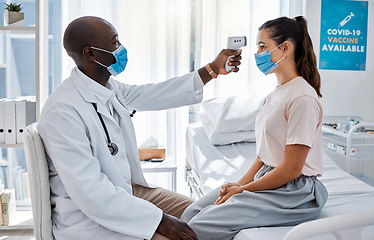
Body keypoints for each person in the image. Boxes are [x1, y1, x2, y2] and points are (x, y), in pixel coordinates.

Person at [37, 16, 242, 240]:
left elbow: (154, 94)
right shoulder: (63, 111)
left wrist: (211, 70)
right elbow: (90, 193)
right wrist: (160, 220)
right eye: (115, 43)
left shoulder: (107, 87)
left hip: (127, 192)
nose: (121, 49)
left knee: (207, 216)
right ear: (90, 54)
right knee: (184, 236)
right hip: (88, 218)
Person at [180, 16, 328, 240]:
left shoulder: (302, 98)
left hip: (294, 190)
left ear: (285, 47)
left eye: (262, 47)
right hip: (270, 177)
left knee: (197, 227)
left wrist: (245, 190)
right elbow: (264, 155)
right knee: (191, 214)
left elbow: (291, 169)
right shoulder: (275, 95)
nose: (257, 53)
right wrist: (239, 184)